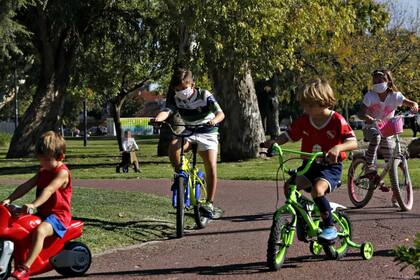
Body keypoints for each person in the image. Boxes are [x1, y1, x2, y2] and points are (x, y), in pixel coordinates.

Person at [263, 78, 357, 241]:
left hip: (330, 167)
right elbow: (288, 135)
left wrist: (338, 148)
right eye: (304, 104)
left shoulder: (337, 120)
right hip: (309, 166)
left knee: (317, 190)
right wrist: (274, 143)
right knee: (289, 187)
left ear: (323, 102)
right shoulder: (304, 121)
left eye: (309, 105)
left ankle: (329, 226)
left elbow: (353, 142)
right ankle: (303, 217)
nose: (305, 108)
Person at [153, 68, 225, 219]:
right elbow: (167, 110)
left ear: (192, 84)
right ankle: (181, 176)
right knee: (174, 147)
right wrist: (158, 119)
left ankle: (209, 203)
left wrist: (213, 121)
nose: (181, 92)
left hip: (207, 132)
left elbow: (220, 114)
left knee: (211, 166)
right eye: (178, 89)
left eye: (184, 88)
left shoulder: (205, 95)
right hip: (189, 131)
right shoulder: (175, 98)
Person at [1, 131, 72, 280]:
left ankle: (25, 268)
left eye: (46, 160)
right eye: (40, 160)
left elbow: (49, 189)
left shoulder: (62, 173)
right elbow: (26, 186)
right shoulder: (43, 170)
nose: (42, 164)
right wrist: (9, 199)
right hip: (44, 213)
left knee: (40, 231)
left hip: (58, 217)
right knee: (18, 223)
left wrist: (33, 204)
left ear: (60, 157)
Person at [358, 70, 418, 205]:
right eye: (374, 81)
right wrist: (367, 117)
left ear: (388, 81)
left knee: (392, 159)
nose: (377, 84)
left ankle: (396, 195)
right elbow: (361, 112)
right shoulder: (370, 96)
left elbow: (411, 103)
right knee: (376, 138)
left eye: (380, 81)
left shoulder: (395, 96)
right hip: (371, 127)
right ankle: (369, 166)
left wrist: (414, 106)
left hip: (387, 129)